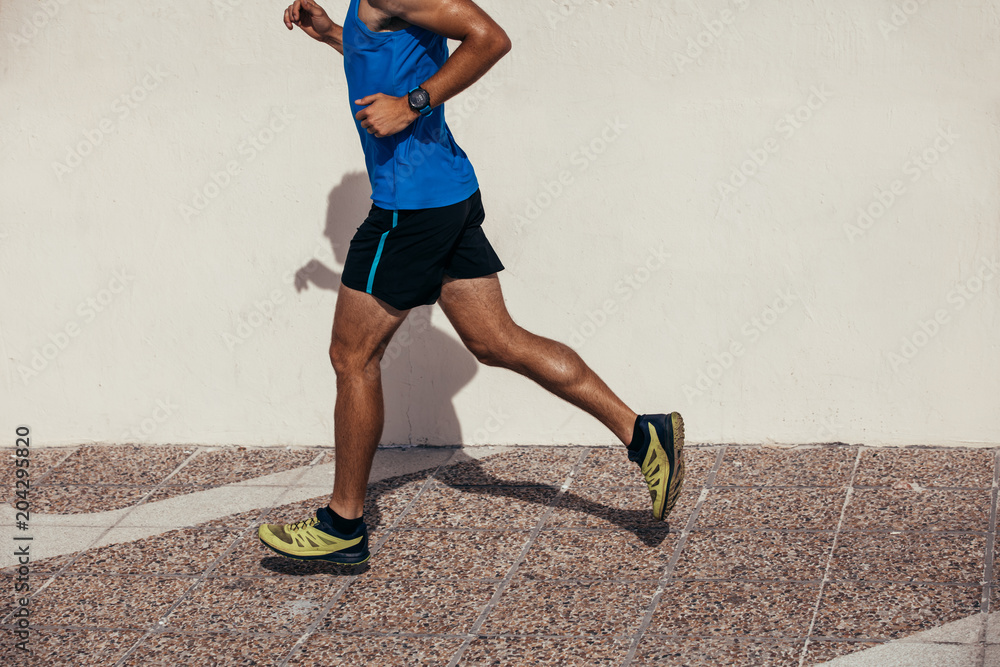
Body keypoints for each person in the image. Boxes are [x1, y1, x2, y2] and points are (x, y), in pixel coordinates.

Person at [258, 0, 684, 564]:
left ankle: (343, 524)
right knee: (496, 341)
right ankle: (642, 433)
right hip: (445, 195)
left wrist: (412, 105)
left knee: (350, 356)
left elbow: (489, 37)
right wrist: (333, 33)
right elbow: (392, 56)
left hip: (409, 208)